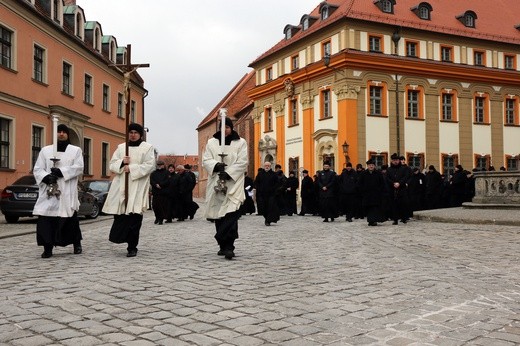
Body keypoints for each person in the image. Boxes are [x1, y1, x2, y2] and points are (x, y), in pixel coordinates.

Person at [103, 123, 155, 257]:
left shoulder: (147, 148)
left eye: (135, 132)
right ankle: (121, 237)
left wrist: (131, 168)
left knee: (134, 218)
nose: (132, 135)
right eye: (130, 132)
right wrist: (121, 163)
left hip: (137, 186)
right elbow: (112, 165)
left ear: (140, 134)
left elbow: (150, 165)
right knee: (121, 215)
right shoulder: (121, 147)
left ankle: (132, 246)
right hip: (121, 186)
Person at [33, 124, 84, 258]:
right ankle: (47, 248)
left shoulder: (75, 150)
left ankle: (76, 243)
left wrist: (62, 171)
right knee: (45, 220)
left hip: (66, 189)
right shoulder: (45, 150)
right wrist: (46, 177)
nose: (61, 134)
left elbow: (79, 167)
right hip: (49, 191)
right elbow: (38, 168)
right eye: (58, 131)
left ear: (67, 134)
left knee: (69, 221)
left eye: (63, 132)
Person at [202, 117, 248, 259]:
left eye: (227, 127)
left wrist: (228, 172)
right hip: (217, 182)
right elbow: (206, 160)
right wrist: (216, 165)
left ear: (231, 128)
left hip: (233, 184)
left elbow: (243, 161)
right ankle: (222, 245)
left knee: (231, 214)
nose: (225, 130)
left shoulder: (240, 142)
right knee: (219, 214)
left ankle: (229, 246)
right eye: (222, 127)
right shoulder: (212, 143)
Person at [357, 159, 385, 226]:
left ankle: (374, 220)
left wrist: (380, 190)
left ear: (374, 166)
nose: (371, 166)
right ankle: (370, 220)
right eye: (370, 165)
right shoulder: (363, 173)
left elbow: (382, 183)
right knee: (369, 208)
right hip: (367, 195)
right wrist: (362, 191)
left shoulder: (378, 173)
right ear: (367, 166)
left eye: (372, 165)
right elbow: (359, 183)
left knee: (375, 208)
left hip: (376, 194)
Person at [386, 153, 410, 225]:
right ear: (391, 161)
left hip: (401, 188)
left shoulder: (403, 168)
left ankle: (404, 218)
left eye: (396, 160)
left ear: (399, 160)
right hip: (392, 189)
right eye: (394, 160)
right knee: (394, 205)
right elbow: (387, 178)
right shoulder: (389, 169)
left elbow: (405, 177)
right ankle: (395, 219)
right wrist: (393, 183)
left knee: (403, 204)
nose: (395, 161)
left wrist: (399, 183)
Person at [254, 161, 280, 226]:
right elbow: (256, 182)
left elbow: (277, 183)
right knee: (263, 208)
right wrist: (258, 189)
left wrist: (273, 190)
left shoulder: (274, 174)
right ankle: (266, 218)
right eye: (266, 165)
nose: (267, 167)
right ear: (264, 166)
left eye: (268, 165)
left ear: (270, 166)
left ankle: (268, 220)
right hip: (262, 194)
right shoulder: (260, 174)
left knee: (270, 207)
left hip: (271, 194)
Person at [150, 160, 170, 225]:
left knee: (162, 206)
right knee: (155, 206)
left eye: (161, 165)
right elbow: (151, 181)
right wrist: (156, 185)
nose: (159, 166)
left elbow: (168, 181)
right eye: (158, 165)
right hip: (156, 192)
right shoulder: (153, 173)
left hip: (163, 192)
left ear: (163, 165)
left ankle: (161, 219)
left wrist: (161, 184)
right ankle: (157, 217)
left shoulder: (167, 172)